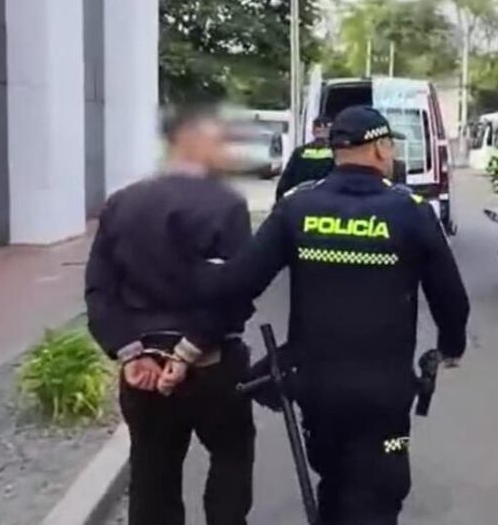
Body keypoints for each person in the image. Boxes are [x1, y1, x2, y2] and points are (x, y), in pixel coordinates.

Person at [186, 105, 470, 525]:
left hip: (317, 391)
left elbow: (238, 284)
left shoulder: (297, 207)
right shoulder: (411, 211)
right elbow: (451, 298)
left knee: (334, 482)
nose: (391, 155)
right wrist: (451, 347)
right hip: (383, 396)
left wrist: (191, 331)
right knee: (377, 493)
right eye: (390, 146)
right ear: (377, 149)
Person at [84, 106, 256, 525]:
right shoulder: (226, 206)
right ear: (190, 139)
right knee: (232, 455)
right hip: (212, 364)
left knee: (151, 473)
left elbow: (99, 290)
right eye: (218, 140)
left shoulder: (123, 203)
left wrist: (131, 352)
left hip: (142, 372)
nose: (226, 150)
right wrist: (187, 351)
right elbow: (234, 291)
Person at [276, 115, 335, 201]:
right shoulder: (337, 152)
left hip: (302, 197)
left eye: (324, 127)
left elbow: (286, 180)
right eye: (319, 127)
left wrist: (280, 199)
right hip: (324, 198)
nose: (321, 130)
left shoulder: (300, 151)